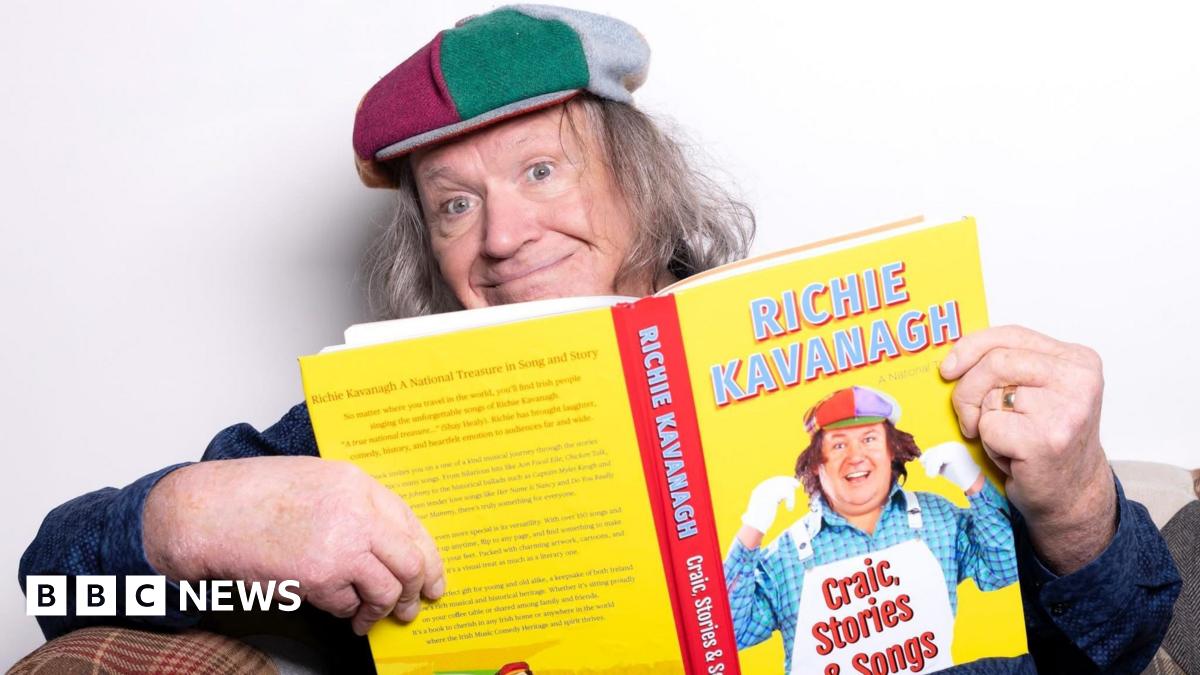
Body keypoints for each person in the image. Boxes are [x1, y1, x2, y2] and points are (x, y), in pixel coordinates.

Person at [17, 5, 1180, 674]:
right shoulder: (359, 430)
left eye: (540, 170)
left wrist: (1079, 503)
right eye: (454, 204)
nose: (503, 236)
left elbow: (1117, 650)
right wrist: (190, 517)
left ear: (639, 175)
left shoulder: (856, 365)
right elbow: (59, 586)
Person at [725, 385, 1019, 673]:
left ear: (892, 450)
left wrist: (974, 483)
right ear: (815, 463)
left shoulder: (938, 518)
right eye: (838, 445)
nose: (856, 456)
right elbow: (730, 635)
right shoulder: (785, 556)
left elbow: (1005, 568)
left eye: (869, 439)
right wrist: (752, 528)